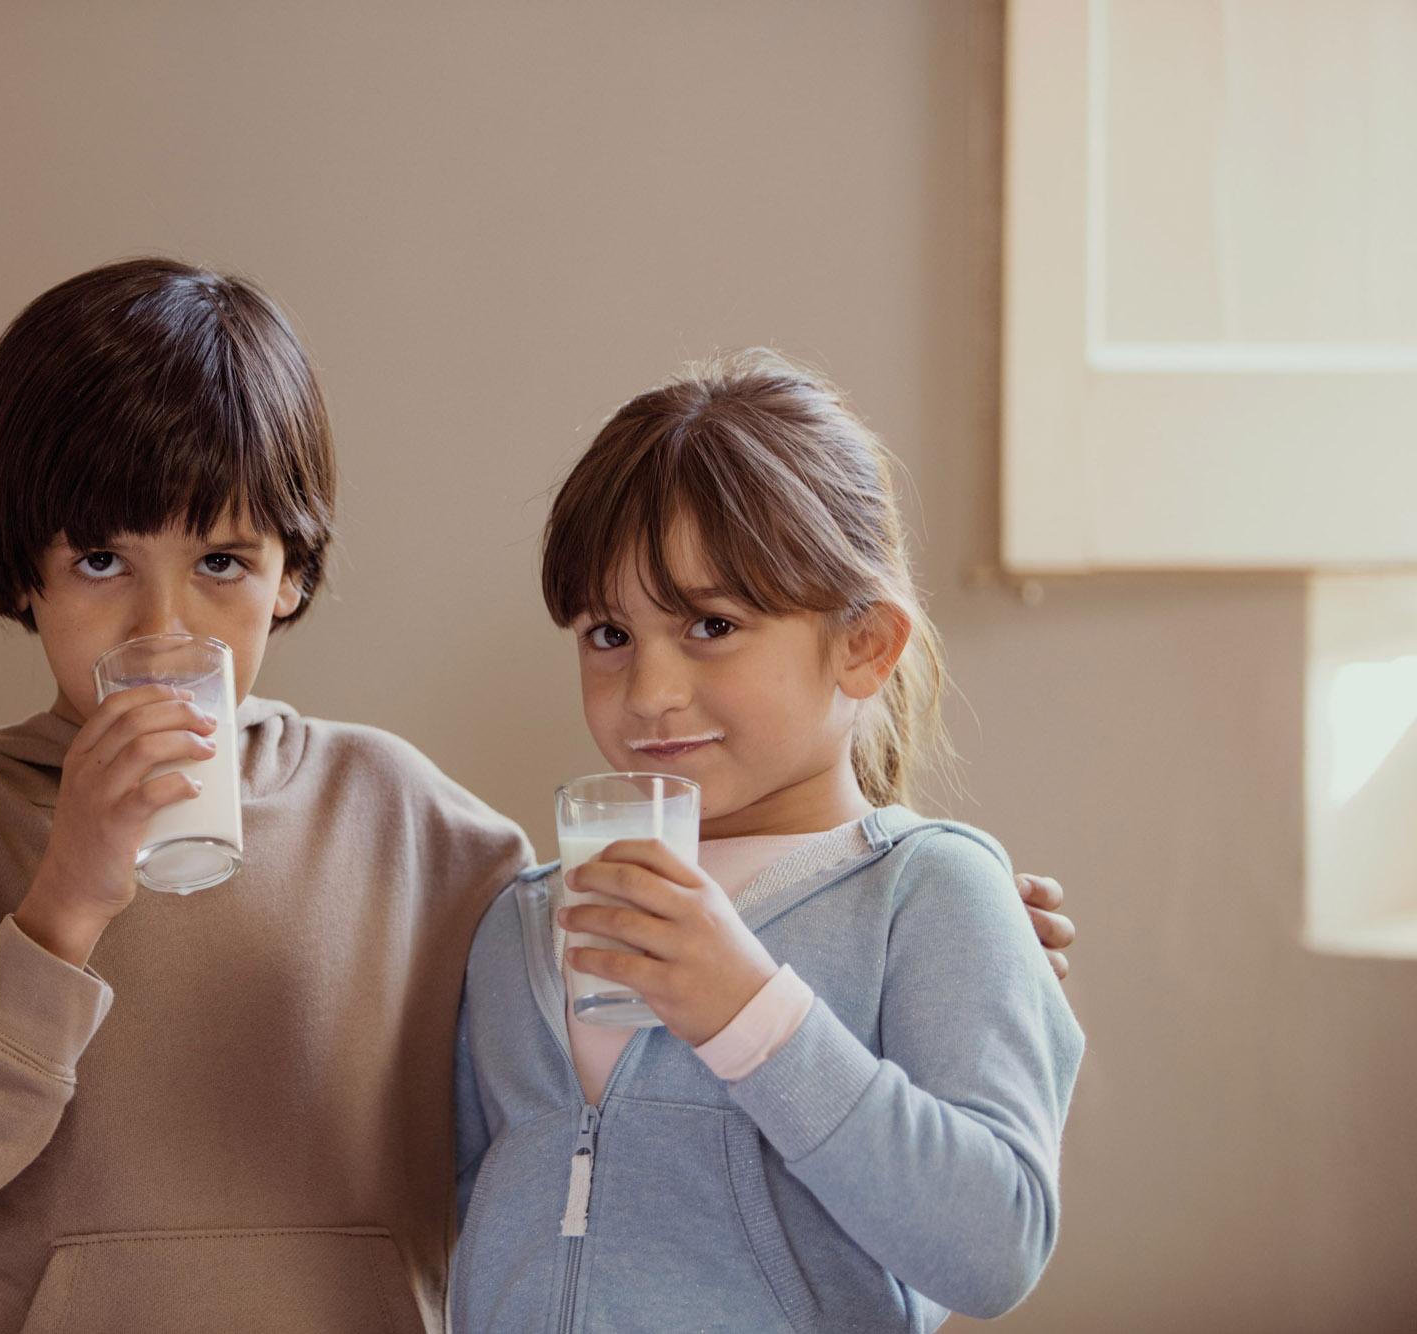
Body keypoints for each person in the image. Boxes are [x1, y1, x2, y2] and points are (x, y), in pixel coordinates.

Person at [0, 259, 1078, 1334]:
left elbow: (617, 995)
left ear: (290, 572)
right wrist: (60, 905)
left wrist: (950, 934)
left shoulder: (404, 820)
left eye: (224, 559)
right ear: (25, 571)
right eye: (102, 558)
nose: (167, 621)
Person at [450, 349, 1085, 1332]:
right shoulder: (519, 922)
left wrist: (744, 1007)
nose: (649, 691)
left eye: (710, 622)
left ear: (863, 645)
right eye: (606, 633)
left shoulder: (930, 893)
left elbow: (992, 1245)